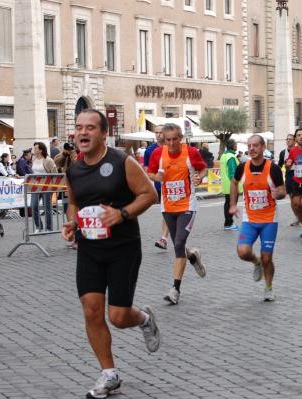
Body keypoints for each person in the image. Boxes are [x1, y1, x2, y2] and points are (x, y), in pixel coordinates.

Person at [61, 109, 160, 399]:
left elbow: (149, 194)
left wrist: (122, 213)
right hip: (89, 249)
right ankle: (109, 374)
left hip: (123, 248)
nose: (83, 133)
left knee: (117, 316)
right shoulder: (73, 170)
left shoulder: (121, 161)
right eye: (79, 128)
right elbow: (74, 203)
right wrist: (72, 222)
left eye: (90, 128)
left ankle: (143, 318)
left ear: (104, 133)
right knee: (91, 310)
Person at [148, 123, 208, 305]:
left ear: (180, 138)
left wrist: (200, 177)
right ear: (164, 140)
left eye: (175, 139)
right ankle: (192, 255)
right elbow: (149, 172)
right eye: (168, 140)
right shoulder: (158, 154)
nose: (172, 143)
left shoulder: (191, 152)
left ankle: (175, 289)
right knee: (179, 247)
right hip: (168, 206)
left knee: (179, 243)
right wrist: (155, 177)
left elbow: (202, 168)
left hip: (187, 205)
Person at [229, 134, 286, 301]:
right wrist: (233, 204)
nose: (251, 149)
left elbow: (282, 191)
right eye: (249, 146)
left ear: (263, 147)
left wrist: (279, 194)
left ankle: (268, 288)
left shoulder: (273, 169)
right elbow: (234, 183)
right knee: (243, 252)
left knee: (268, 257)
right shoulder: (242, 167)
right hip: (250, 219)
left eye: (255, 146)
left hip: (269, 219)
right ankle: (256, 262)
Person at [144, 126, 170, 250]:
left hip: (175, 185)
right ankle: (166, 238)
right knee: (166, 212)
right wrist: (155, 179)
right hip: (160, 186)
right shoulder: (150, 150)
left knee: (169, 212)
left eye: (161, 132)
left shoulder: (173, 146)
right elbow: (147, 170)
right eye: (156, 132)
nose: (159, 135)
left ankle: (164, 238)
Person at [30, 142, 58, 232]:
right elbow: (33, 172)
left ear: (41, 150)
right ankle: (39, 226)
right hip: (36, 186)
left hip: (47, 186)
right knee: (33, 206)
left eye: (35, 148)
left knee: (47, 207)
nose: (34, 150)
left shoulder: (48, 160)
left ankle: (49, 227)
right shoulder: (33, 158)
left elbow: (55, 173)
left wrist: (54, 187)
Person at [277, 134, 300, 227]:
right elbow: (279, 166)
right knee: (292, 199)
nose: (288, 141)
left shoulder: (299, 150)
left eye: (290, 139)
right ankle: (297, 217)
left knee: (298, 199)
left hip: (298, 175)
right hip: (289, 176)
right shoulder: (283, 153)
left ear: (294, 141)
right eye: (287, 139)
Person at [220, 139, 240, 230]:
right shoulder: (231, 157)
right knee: (231, 204)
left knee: (227, 204)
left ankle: (228, 223)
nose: (236, 146)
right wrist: (235, 186)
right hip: (231, 185)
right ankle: (229, 223)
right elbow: (232, 173)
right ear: (233, 146)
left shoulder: (224, 155)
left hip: (226, 184)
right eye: (236, 144)